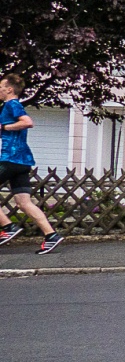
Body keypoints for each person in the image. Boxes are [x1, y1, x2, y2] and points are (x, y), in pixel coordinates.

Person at [0, 74, 64, 254]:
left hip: (11, 159)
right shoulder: (10, 107)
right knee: (23, 203)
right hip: (22, 161)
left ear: (9, 89)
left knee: (24, 203)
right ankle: (51, 236)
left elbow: (27, 122)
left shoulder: (11, 104)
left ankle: (8, 227)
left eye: (0, 88)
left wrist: (3, 127)